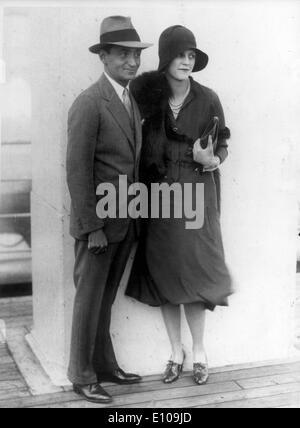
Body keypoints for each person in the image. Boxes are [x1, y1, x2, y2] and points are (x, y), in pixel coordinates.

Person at [126, 25, 233, 386]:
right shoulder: (147, 96)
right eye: (180, 54)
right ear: (166, 58)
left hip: (196, 192)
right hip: (158, 194)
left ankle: (199, 351)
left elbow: (224, 145)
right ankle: (176, 351)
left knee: (195, 271)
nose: (186, 61)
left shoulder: (208, 98)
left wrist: (212, 160)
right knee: (164, 272)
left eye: (191, 56)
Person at [66, 16, 152, 404]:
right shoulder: (89, 102)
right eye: (122, 55)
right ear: (103, 56)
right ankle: (81, 376)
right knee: (88, 302)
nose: (132, 62)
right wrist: (92, 227)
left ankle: (104, 367)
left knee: (104, 301)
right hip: (99, 227)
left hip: (124, 222)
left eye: (135, 55)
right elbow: (78, 171)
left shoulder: (128, 99)